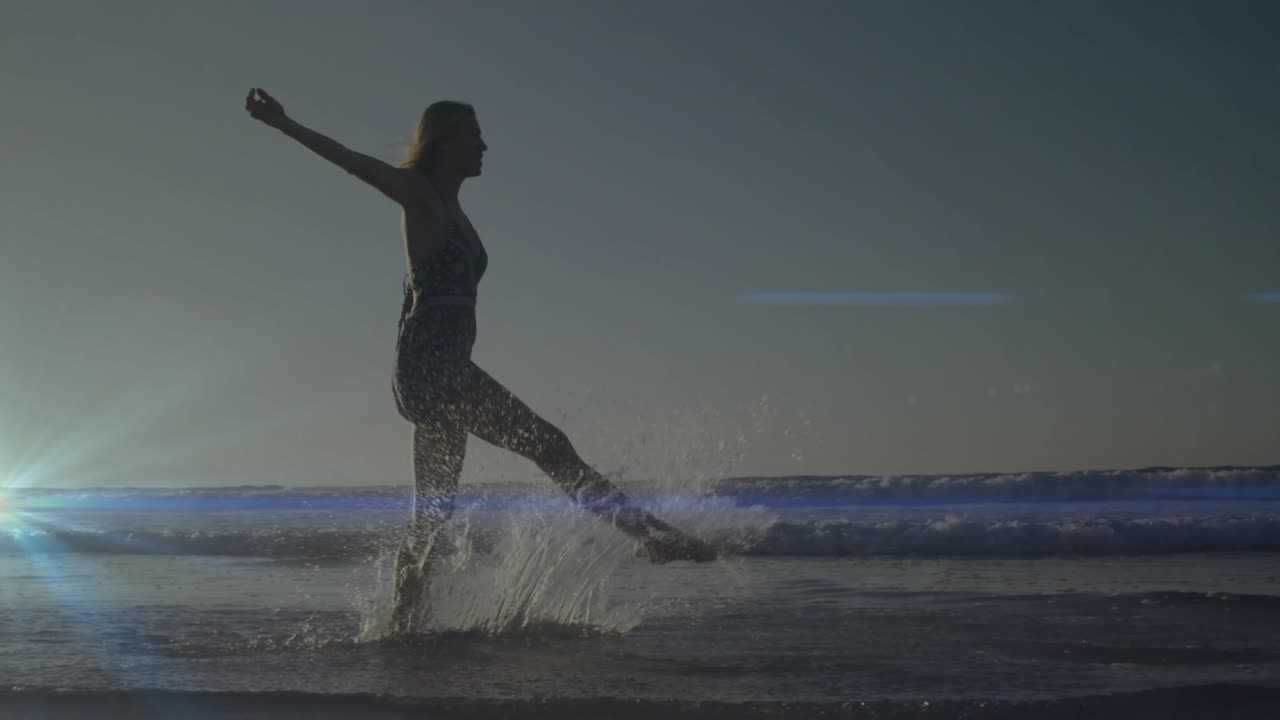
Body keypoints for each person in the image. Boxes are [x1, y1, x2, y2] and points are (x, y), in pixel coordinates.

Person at [244, 88, 716, 631]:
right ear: (443, 144)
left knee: (434, 513)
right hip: (434, 366)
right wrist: (283, 123)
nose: (485, 146)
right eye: (474, 137)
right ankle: (651, 535)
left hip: (435, 367)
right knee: (551, 444)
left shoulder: (456, 212)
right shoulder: (419, 196)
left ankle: (402, 625)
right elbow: (355, 164)